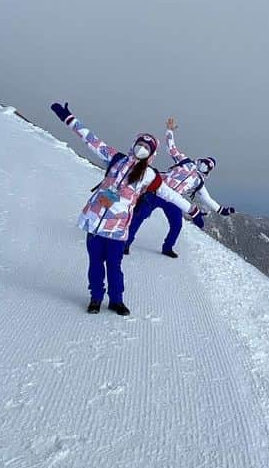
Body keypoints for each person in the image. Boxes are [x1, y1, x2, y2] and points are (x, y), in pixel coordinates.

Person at [50, 101, 192, 313]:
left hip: (117, 229)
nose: (141, 148)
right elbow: (91, 140)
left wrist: (192, 210)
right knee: (95, 264)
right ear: (134, 143)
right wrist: (69, 119)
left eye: (147, 147)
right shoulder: (116, 158)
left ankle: (116, 300)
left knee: (114, 266)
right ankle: (95, 298)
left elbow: (170, 194)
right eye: (140, 144)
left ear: (151, 153)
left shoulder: (149, 175)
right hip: (96, 223)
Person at [126, 116, 235, 258]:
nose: (204, 166)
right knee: (140, 215)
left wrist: (223, 211)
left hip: (174, 200)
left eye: (207, 166)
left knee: (177, 225)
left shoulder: (199, 182)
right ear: (200, 160)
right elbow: (171, 148)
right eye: (204, 162)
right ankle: (125, 243)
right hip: (156, 191)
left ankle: (167, 247)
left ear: (208, 171)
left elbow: (208, 199)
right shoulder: (185, 161)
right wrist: (169, 131)